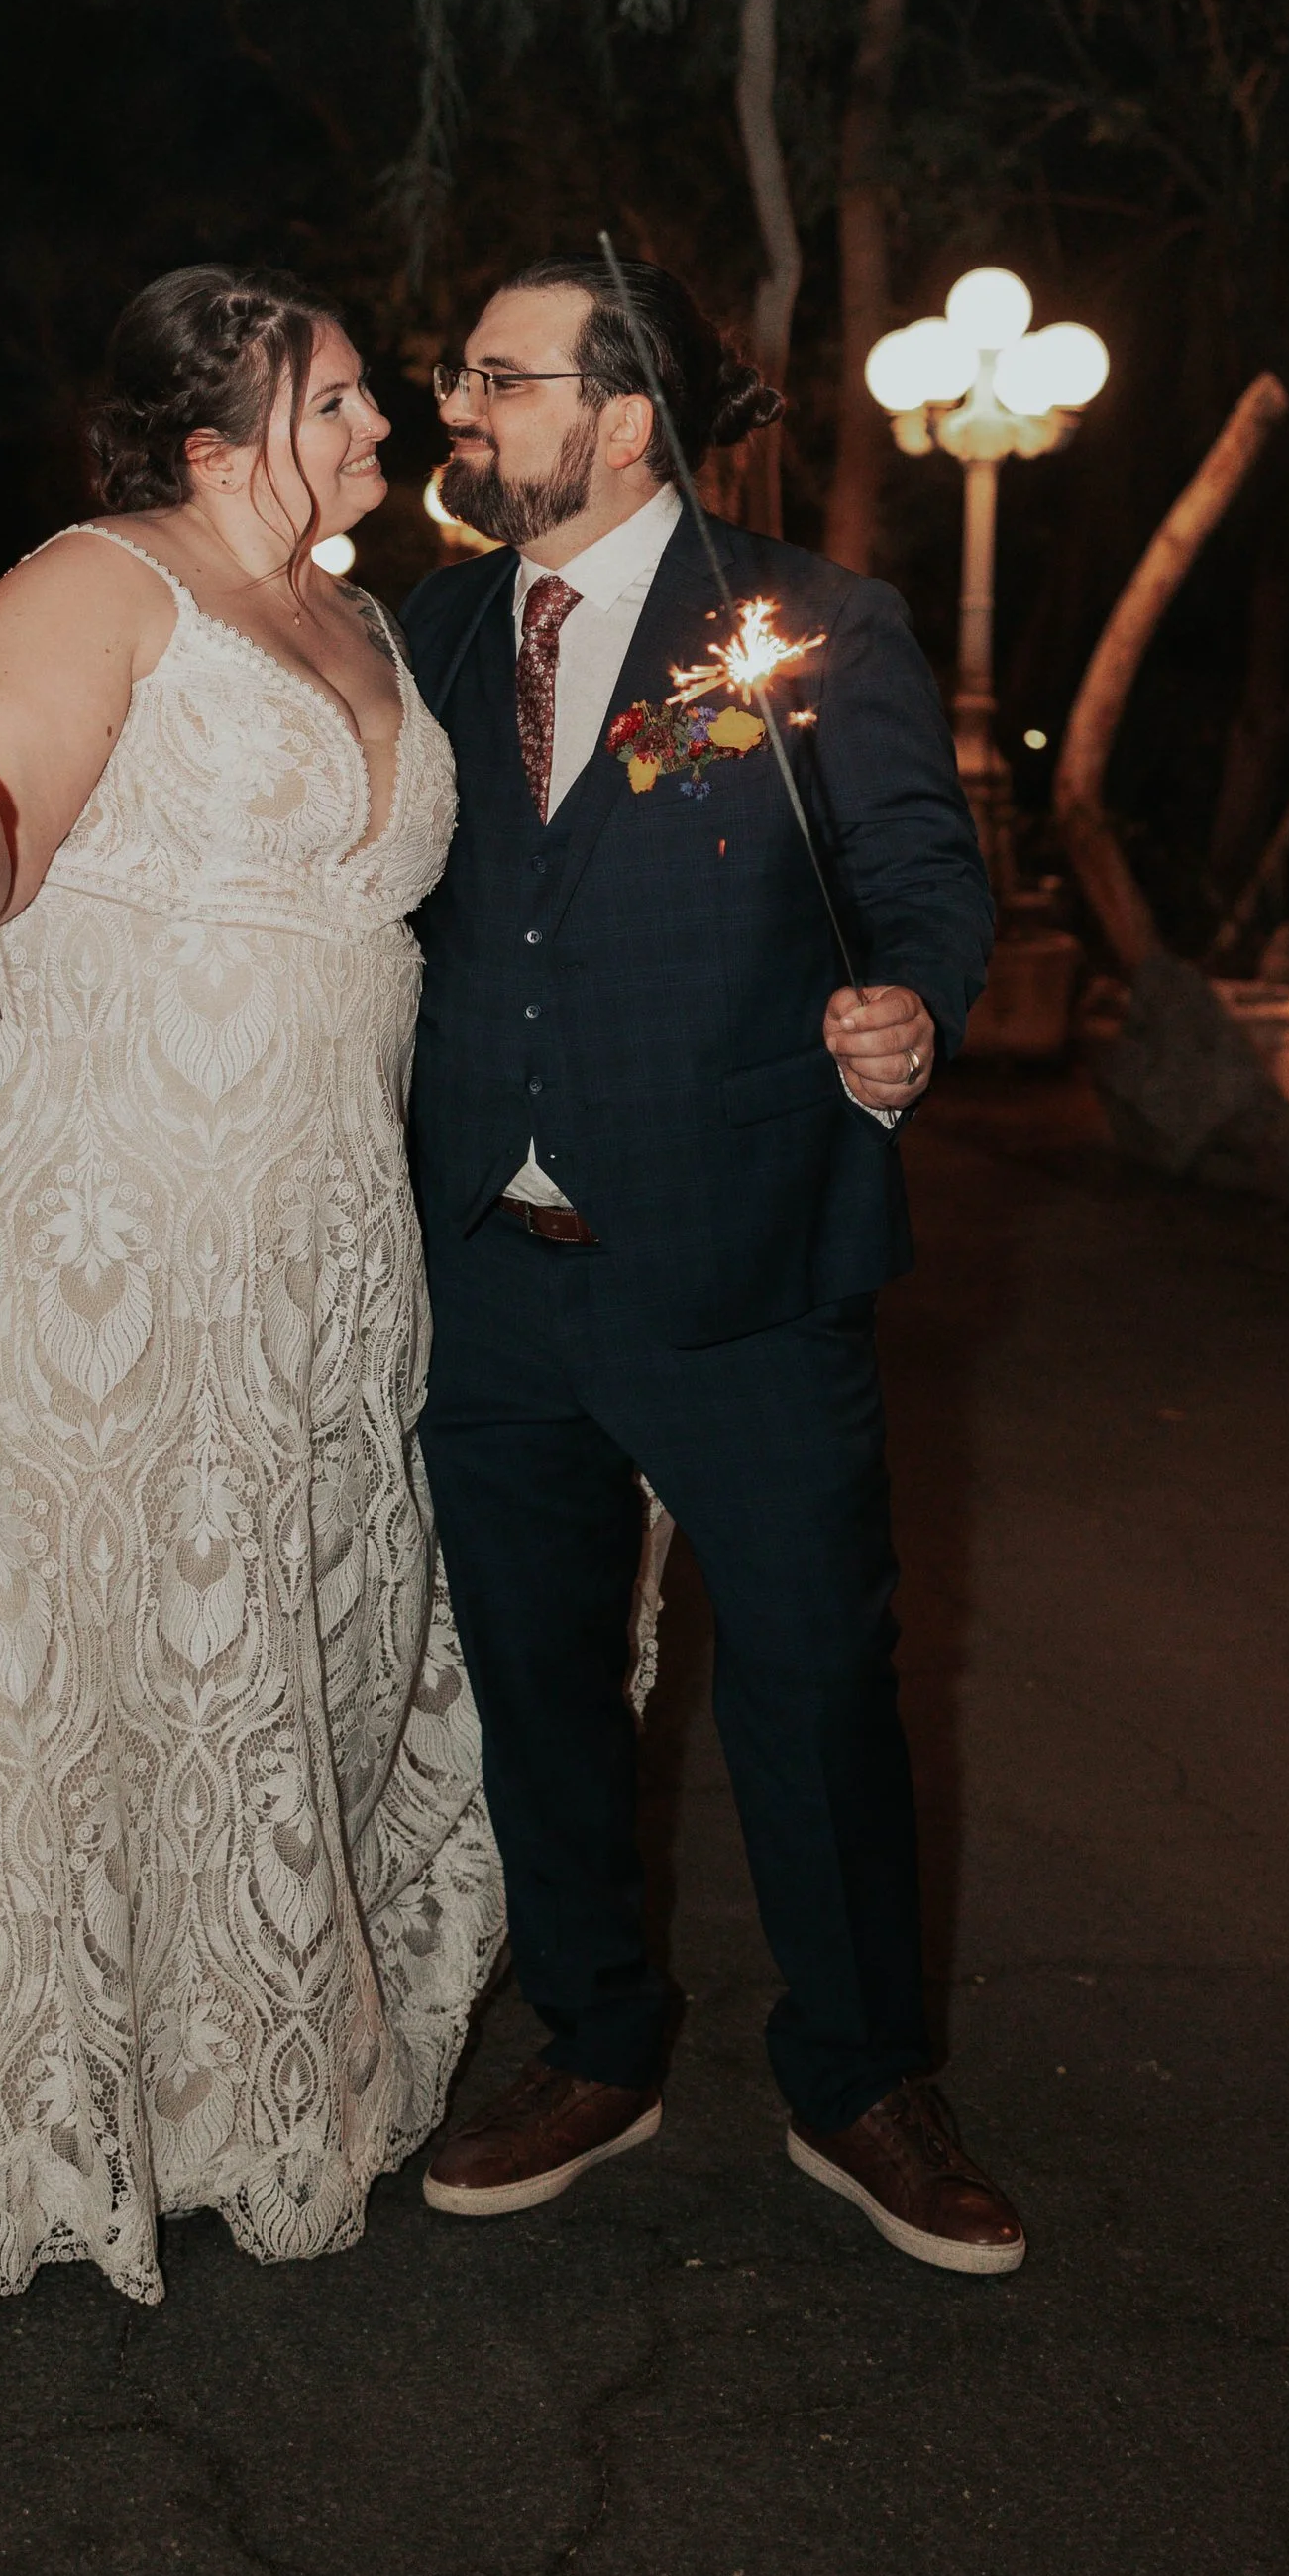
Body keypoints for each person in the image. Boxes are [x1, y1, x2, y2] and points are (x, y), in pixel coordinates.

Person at [0, 266, 501, 2362]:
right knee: (0, 1673)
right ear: (218, 430)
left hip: (299, 1251)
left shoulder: (363, 619)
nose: (377, 427)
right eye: (337, 399)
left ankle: (193, 2105)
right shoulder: (91, 584)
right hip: (57, 1226)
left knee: (230, 1651)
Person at [400, 254, 1023, 2272]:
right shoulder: (417, 632)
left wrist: (907, 1011)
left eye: (497, 378)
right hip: (487, 1261)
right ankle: (595, 2037)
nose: (458, 411)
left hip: (741, 1242)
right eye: (455, 375)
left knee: (819, 1680)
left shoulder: (808, 627)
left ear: (626, 412)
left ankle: (856, 2081)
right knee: (535, 1677)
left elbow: (921, 877)